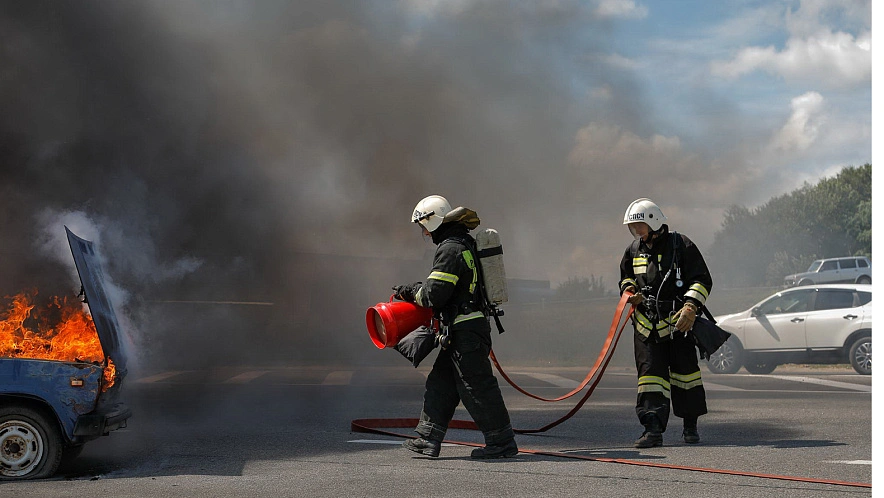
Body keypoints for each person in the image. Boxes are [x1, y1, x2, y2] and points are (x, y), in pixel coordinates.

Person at [393, 195, 518, 459]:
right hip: (462, 331)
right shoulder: (465, 244)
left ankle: (502, 442)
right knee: (441, 384)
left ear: (433, 220)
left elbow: (433, 295)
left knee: (477, 388)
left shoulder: (450, 249)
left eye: (424, 227)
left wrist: (409, 291)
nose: (425, 233)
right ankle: (428, 438)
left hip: (466, 332)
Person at [618, 198, 713, 448]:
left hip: (678, 323)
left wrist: (691, 307)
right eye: (633, 229)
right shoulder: (633, 250)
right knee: (650, 378)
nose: (637, 233)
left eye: (639, 227)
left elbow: (702, 280)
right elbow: (625, 278)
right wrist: (630, 292)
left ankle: (690, 425)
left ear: (654, 222)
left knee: (686, 375)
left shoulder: (681, 246)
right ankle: (652, 431)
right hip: (646, 325)